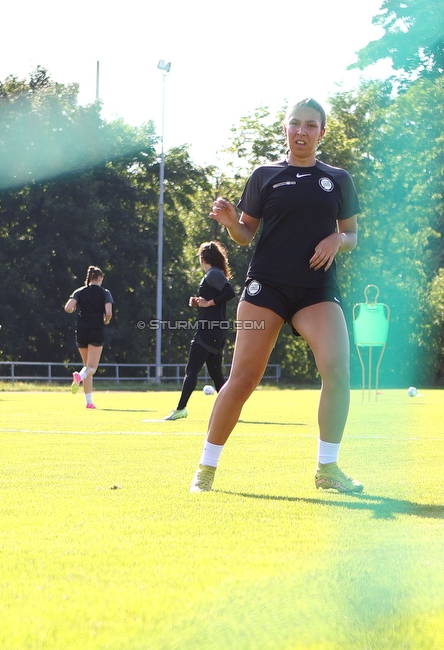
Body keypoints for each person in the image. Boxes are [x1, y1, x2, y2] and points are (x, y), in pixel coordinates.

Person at [190, 98, 362, 493]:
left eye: (311, 125)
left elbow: (351, 234)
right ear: (285, 129)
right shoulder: (264, 175)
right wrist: (233, 222)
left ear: (322, 131)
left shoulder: (338, 178)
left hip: (317, 291)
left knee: (337, 372)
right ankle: (206, 468)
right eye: (295, 124)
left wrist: (337, 238)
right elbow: (246, 234)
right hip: (265, 288)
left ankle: (328, 469)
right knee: (244, 378)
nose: (302, 131)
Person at [163, 241, 235, 421]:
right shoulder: (214, 274)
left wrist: (208, 303)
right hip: (216, 330)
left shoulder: (213, 274)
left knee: (192, 370)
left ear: (202, 258)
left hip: (208, 330)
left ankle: (181, 408)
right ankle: (232, 408)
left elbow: (229, 292)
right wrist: (200, 301)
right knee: (216, 375)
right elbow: (218, 296)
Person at [64, 266, 113, 409]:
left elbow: (68, 308)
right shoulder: (105, 292)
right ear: (99, 278)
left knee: (87, 367)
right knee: (92, 368)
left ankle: (89, 402)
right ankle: (78, 377)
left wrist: (74, 309)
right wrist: (106, 320)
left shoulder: (80, 291)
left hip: (81, 330)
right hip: (96, 330)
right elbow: (108, 312)